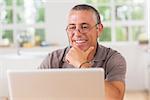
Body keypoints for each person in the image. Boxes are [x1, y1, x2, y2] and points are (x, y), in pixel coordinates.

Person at [39, 4, 126, 100]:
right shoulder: (53, 59)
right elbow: (34, 92)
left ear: (99, 29)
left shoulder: (113, 59)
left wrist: (82, 64)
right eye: (72, 27)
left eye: (84, 27)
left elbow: (115, 98)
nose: (77, 33)